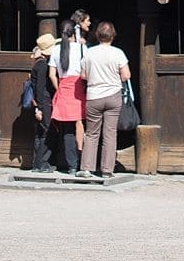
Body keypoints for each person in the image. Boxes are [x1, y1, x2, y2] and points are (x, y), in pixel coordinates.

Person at [77, 20, 130, 182]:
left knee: (92, 133)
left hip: (94, 95)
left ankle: (86, 168)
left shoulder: (89, 53)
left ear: (97, 35)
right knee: (110, 133)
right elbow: (126, 75)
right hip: (113, 94)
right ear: (113, 35)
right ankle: (107, 169)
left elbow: (83, 76)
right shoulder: (118, 53)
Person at [48, 19, 86, 174]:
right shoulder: (81, 48)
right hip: (79, 89)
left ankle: (72, 165)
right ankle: (87, 162)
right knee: (88, 127)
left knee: (68, 131)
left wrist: (59, 88)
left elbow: (51, 74)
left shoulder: (56, 50)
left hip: (64, 88)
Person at [30, 32, 56, 171]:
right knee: (47, 131)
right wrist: (39, 108)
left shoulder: (38, 64)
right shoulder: (43, 65)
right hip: (44, 102)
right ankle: (41, 163)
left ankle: (37, 163)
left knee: (41, 133)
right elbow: (40, 88)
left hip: (42, 102)